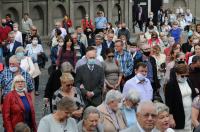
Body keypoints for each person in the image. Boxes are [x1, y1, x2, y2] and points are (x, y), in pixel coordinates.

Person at [165, 64, 197, 131]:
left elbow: (193, 94)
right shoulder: (171, 85)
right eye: (182, 76)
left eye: (187, 75)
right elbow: (168, 103)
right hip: (178, 114)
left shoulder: (188, 81)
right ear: (176, 74)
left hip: (190, 112)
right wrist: (170, 117)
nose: (185, 77)